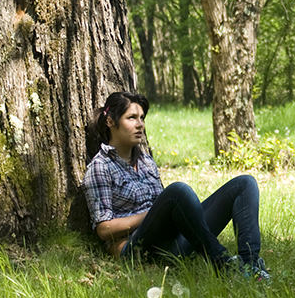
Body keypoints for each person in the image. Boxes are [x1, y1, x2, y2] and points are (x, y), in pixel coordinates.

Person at [82, 91, 270, 282]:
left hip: (173, 240)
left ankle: (250, 266)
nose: (140, 125)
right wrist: (152, 214)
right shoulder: (100, 167)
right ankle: (223, 264)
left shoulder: (146, 162)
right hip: (138, 250)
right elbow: (104, 229)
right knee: (178, 192)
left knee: (245, 184)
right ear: (111, 122)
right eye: (131, 118)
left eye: (142, 118)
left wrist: (165, 212)